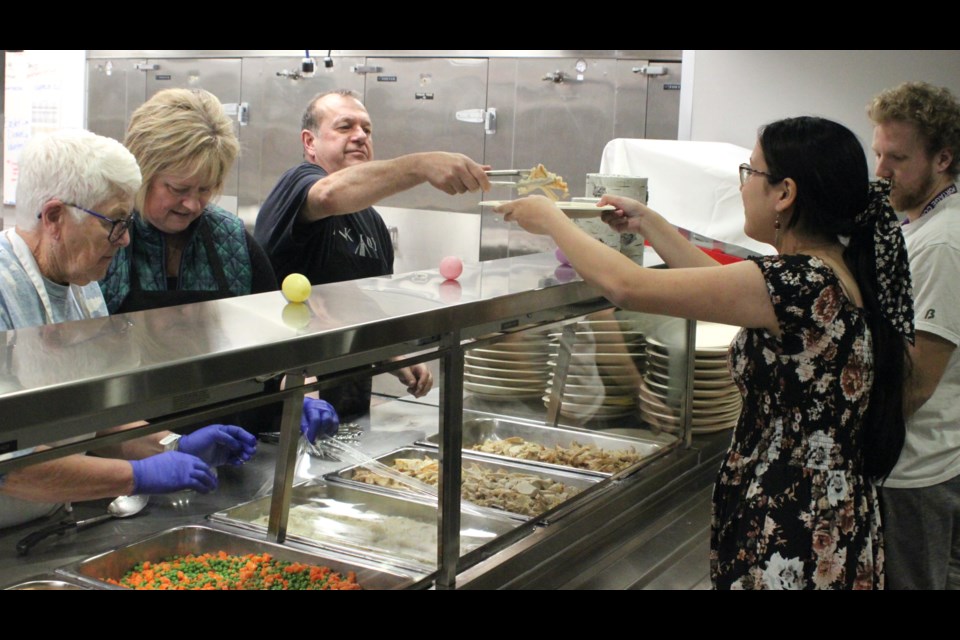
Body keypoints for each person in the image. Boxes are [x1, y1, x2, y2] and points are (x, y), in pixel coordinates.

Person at [496, 116, 914, 589]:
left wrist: (552, 219)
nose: (742, 186)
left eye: (750, 173)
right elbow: (720, 290)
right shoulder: (825, 272)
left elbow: (626, 286)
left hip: (792, 520)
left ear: (784, 193)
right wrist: (650, 223)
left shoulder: (798, 282)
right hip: (827, 509)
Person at [0, 129, 257, 529]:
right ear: (54, 218)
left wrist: (172, 445)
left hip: (44, 523)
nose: (123, 241)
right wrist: (137, 476)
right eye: (114, 224)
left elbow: (98, 422)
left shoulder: (83, 289)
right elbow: (11, 467)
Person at [98, 88, 337, 440]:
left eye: (205, 190)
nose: (192, 204)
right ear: (143, 171)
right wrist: (164, 452)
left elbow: (282, 343)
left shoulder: (230, 239)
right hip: (127, 447)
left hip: (229, 437)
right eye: (178, 188)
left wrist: (305, 392)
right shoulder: (107, 241)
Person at [254, 89, 491, 419]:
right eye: (344, 126)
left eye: (366, 129)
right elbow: (327, 195)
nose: (360, 136)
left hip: (348, 406)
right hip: (289, 405)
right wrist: (420, 165)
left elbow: (359, 311)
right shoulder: (298, 184)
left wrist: (390, 355)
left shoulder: (372, 222)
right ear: (310, 142)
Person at [869, 81, 960, 590]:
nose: (880, 171)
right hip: (901, 466)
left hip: (916, 474)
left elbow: (918, 383)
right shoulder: (918, 224)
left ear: (943, 158)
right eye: (878, 152)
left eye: (897, 158)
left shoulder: (944, 242)